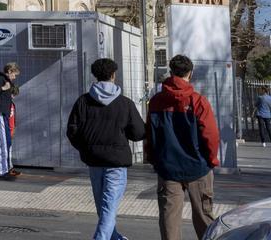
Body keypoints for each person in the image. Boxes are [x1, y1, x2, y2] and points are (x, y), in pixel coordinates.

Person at [66, 57, 146, 240]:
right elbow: (138, 132)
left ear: (95, 76)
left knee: (103, 207)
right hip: (116, 162)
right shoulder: (125, 103)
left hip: (93, 160)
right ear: (113, 75)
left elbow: (72, 130)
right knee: (108, 207)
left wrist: (86, 148)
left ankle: (115, 237)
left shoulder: (83, 101)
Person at [146, 54, 219, 240]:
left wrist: (155, 160)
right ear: (190, 73)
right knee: (205, 217)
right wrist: (211, 159)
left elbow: (151, 135)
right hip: (198, 167)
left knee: (169, 220)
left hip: (168, 168)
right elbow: (210, 135)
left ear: (170, 72)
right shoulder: (198, 101)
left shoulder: (156, 102)